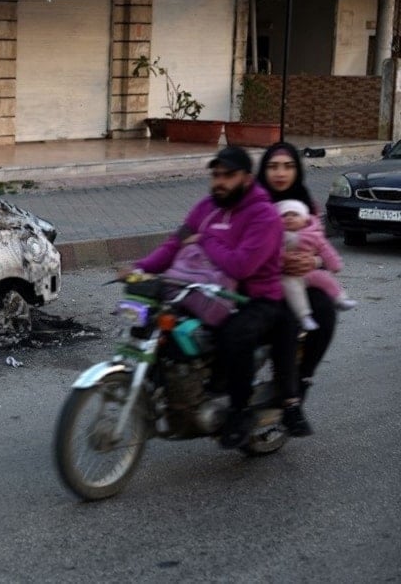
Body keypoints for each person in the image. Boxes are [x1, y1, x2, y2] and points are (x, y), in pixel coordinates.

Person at [122, 146, 311, 448]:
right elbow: (175, 244)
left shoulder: (264, 216)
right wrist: (140, 268)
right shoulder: (204, 208)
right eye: (216, 175)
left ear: (247, 179)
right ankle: (177, 392)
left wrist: (208, 239)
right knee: (164, 326)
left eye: (228, 175)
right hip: (205, 292)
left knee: (234, 334)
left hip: (255, 298)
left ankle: (239, 411)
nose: (220, 182)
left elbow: (242, 265)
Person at [257, 142, 338, 401]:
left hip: (301, 279)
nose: (280, 173)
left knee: (325, 311)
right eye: (273, 167)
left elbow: (321, 248)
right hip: (263, 282)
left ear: (298, 171)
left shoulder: (306, 204)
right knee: (286, 322)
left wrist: (312, 263)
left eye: (288, 167)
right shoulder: (254, 201)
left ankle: (302, 379)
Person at [276, 199, 357, 331]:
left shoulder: (313, 234)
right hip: (288, 275)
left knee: (325, 278)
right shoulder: (277, 235)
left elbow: (326, 249)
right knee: (293, 290)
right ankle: (304, 316)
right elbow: (271, 251)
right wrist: (283, 260)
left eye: (294, 215)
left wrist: (333, 264)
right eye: (284, 215)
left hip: (309, 271)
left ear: (304, 219)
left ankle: (340, 299)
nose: (289, 218)